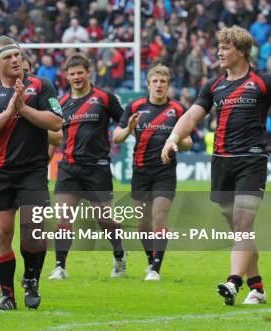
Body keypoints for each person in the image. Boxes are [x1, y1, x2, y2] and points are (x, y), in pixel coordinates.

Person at [161, 26, 270, 305]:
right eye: (218, 47)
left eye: (226, 47)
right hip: (221, 163)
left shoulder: (262, 81)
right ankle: (256, 286)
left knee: (243, 223)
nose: (219, 52)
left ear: (242, 51)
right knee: (238, 229)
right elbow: (192, 116)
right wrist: (173, 138)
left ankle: (233, 282)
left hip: (251, 160)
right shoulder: (213, 86)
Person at [0, 36, 62, 310]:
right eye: (9, 57)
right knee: (1, 233)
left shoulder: (41, 86)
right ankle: (7, 295)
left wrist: (24, 108)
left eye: (18, 56)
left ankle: (32, 280)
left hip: (33, 171)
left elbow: (57, 123)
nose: (15, 60)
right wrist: (9, 112)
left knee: (33, 232)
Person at [49, 53, 126, 281]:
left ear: (88, 72)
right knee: (63, 218)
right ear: (66, 76)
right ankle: (60, 266)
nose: (76, 77)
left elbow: (123, 122)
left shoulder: (104, 98)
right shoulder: (61, 104)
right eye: (72, 74)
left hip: (97, 168)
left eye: (80, 73)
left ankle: (119, 254)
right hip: (69, 167)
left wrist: (129, 130)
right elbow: (53, 135)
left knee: (104, 220)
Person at [113, 64, 192, 281]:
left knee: (160, 217)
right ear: (148, 84)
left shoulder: (177, 110)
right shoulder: (135, 106)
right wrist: (129, 128)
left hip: (165, 172)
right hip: (140, 171)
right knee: (143, 224)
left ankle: (156, 269)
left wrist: (176, 140)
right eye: (155, 81)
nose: (159, 85)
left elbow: (188, 141)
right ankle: (151, 260)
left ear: (168, 86)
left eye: (163, 82)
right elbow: (116, 137)